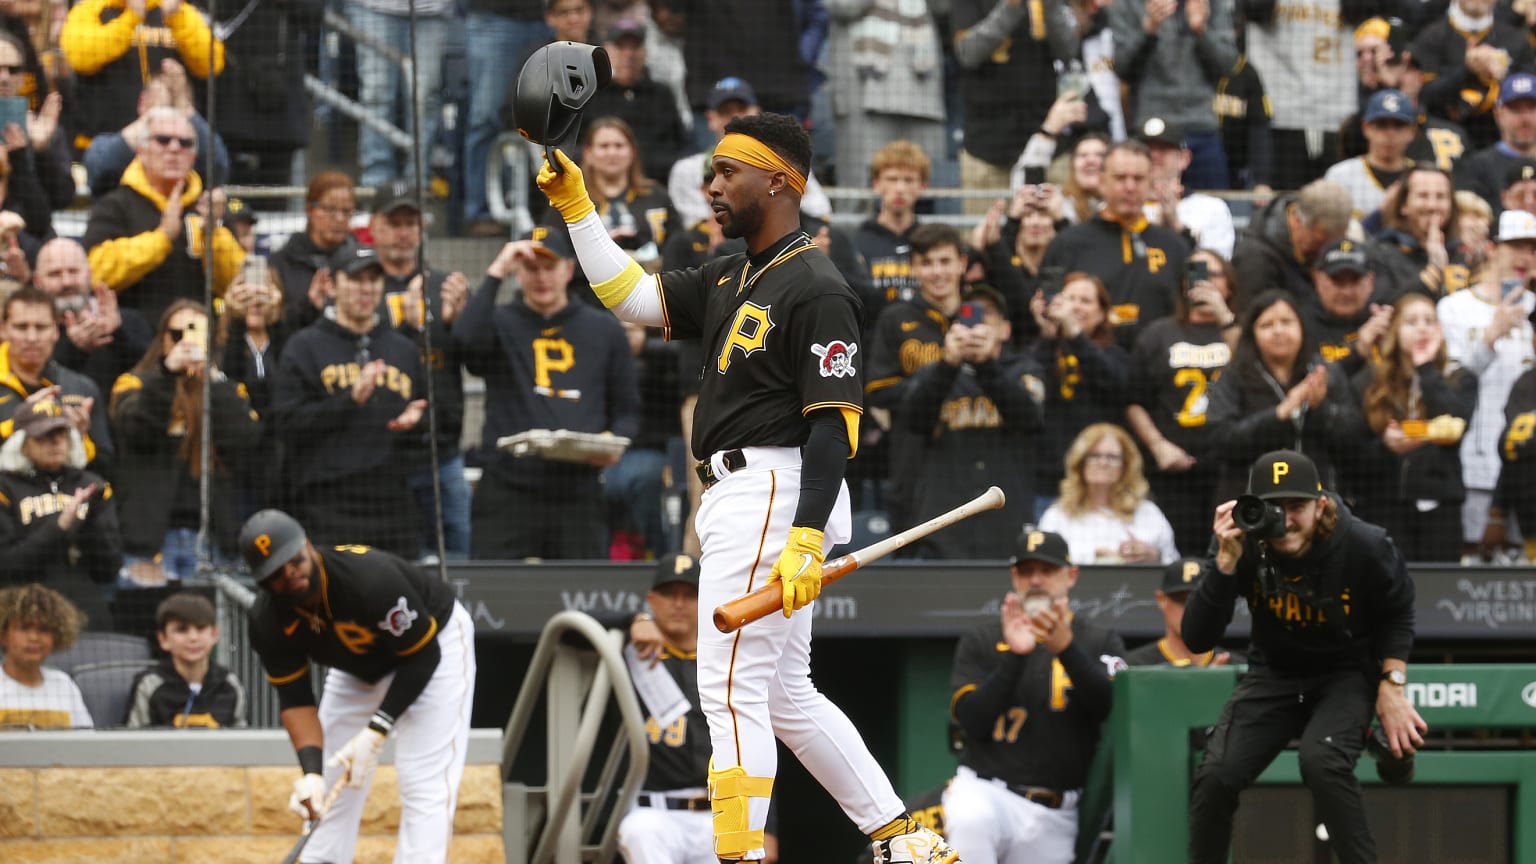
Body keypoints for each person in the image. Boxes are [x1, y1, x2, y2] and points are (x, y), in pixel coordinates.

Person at [536, 111, 957, 862]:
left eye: (729, 170)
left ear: (780, 181)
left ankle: (736, 855)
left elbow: (835, 427)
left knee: (727, 688)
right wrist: (578, 209)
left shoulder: (819, 285)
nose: (712, 184)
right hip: (746, 492)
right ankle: (899, 838)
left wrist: (802, 534)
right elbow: (632, 296)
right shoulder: (732, 272)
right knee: (782, 695)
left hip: (775, 484)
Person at [1183, 449, 1427, 864]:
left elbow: (1399, 613)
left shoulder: (1364, 544)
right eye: (1272, 508)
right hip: (1275, 673)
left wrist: (1392, 685)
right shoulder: (1240, 543)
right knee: (1216, 777)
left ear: (1321, 505)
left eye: (1296, 507)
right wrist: (1223, 563)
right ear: (1252, 509)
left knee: (1322, 761)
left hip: (1347, 673)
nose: (1285, 520)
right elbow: (1197, 638)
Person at [240, 508, 475, 864]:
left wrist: (378, 727)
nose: (291, 574)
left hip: (434, 644)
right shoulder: (267, 620)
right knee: (328, 780)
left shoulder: (367, 579)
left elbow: (424, 656)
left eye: (294, 560)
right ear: (261, 580)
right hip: (358, 667)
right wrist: (312, 773)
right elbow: (295, 699)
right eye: (277, 572)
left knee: (421, 780)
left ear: (308, 546)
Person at [943, 528, 1126, 864]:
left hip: (1056, 810)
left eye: (1047, 570)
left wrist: (1067, 650)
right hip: (987, 792)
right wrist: (1014, 656)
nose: (1036, 580)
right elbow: (971, 721)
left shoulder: (1098, 640)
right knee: (971, 819)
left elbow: (1109, 707)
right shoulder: (983, 638)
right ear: (1015, 577)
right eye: (1027, 571)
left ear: (1071, 576)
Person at [454, 229, 639, 560]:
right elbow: (465, 343)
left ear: (568, 270)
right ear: (517, 273)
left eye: (549, 267)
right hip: (508, 486)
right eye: (530, 268)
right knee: (495, 592)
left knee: (581, 597)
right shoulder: (499, 322)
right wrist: (496, 271)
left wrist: (613, 443)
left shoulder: (604, 329)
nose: (541, 278)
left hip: (578, 488)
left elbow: (628, 409)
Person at [619, 553, 781, 863]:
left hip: (720, 815)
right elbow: (570, 628)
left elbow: (757, 747)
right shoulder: (630, 652)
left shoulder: (726, 662)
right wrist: (633, 621)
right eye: (669, 594)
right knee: (640, 832)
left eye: (690, 595)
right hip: (655, 814)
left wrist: (766, 826)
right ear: (651, 600)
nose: (678, 604)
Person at [272, 245, 427, 559]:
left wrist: (417, 423)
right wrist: (348, 401)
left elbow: (432, 429)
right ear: (331, 284)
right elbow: (285, 423)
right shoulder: (304, 346)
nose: (366, 288)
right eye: (356, 278)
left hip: (391, 506)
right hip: (327, 504)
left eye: (373, 278)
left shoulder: (402, 349)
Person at [109, 299, 260, 583]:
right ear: (162, 338)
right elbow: (134, 431)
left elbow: (245, 442)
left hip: (213, 537)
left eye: (195, 334)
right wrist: (167, 374)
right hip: (149, 539)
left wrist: (213, 380)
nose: (185, 343)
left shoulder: (226, 388)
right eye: (176, 335)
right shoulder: (134, 383)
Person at [896, 285, 1044, 559]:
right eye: (969, 315)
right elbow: (912, 421)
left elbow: (1029, 417)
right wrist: (948, 364)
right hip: (945, 526)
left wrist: (987, 365)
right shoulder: (935, 373)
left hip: (1006, 524)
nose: (978, 323)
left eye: (988, 314)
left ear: (1006, 330)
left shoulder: (1025, 369)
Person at [367, 181, 472, 561]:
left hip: (440, 452)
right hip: (380, 454)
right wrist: (410, 326)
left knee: (458, 561)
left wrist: (462, 323)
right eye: (394, 222)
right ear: (374, 226)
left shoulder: (444, 285)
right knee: (390, 562)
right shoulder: (361, 284)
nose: (403, 232)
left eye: (410, 222)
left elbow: (476, 358)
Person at [81, 106, 244, 326]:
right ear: (141, 150)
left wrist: (213, 235)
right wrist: (162, 238)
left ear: (194, 157)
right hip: (131, 336)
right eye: (163, 140)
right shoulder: (115, 204)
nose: (174, 148)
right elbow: (93, 273)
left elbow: (237, 283)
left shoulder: (209, 207)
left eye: (185, 143)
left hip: (200, 336)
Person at [1125, 248, 1238, 555]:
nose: (1205, 280)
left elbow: (1254, 371)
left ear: (1229, 283)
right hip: (1174, 472)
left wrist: (1225, 317)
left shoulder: (1242, 330)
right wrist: (1158, 445)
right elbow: (1133, 399)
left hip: (1231, 468)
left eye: (1213, 273)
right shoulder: (1158, 333)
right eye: (1195, 272)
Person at [1437, 208, 1536, 560]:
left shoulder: (1535, 310)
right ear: (1492, 248)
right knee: (1472, 565)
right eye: (1516, 246)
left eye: (1533, 249)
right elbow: (1446, 386)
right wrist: (1490, 338)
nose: (1526, 257)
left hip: (1528, 467)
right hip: (1472, 464)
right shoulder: (1454, 308)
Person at [1349, 293, 1477, 562]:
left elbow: (1454, 421)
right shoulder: (1369, 380)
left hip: (1440, 506)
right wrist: (1386, 445)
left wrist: (1426, 368)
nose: (1422, 328)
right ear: (1395, 331)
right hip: (1383, 504)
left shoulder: (1460, 377)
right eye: (1411, 322)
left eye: (1429, 321)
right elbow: (1351, 448)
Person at [1206, 290, 1364, 504]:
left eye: (1287, 322)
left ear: (1302, 328)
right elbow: (1220, 441)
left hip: (1320, 501)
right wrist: (1279, 414)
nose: (1278, 331)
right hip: (1252, 503)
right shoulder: (1235, 375)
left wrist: (1321, 409)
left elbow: (1355, 438)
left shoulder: (1325, 372)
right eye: (1267, 325)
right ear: (1252, 334)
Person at [865, 223, 969, 533]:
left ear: (962, 263)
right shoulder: (896, 318)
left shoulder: (978, 314)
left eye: (945, 261)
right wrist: (932, 383)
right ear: (914, 267)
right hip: (914, 461)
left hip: (969, 454)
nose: (937, 272)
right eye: (927, 263)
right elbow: (877, 391)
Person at [1042, 140, 1189, 350]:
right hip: (1090, 366)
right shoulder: (1069, 243)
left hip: (1158, 366)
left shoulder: (1174, 246)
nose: (1130, 187)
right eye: (1120, 178)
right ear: (1102, 182)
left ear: (1150, 184)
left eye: (1138, 179)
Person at [0, 397, 120, 630]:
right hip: (23, 613)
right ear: (22, 443)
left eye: (61, 433)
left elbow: (109, 568)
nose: (55, 442)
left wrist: (90, 524)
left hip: (84, 613)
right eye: (43, 436)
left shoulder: (93, 486)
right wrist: (59, 527)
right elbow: (5, 564)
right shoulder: (5, 488)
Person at [951, 0, 1080, 216]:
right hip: (987, 147)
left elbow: (1068, 50)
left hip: (1046, 143)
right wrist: (1010, 7)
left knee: (1055, 237)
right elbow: (967, 52)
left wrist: (1049, 6)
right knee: (988, 239)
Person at [1029, 272, 1130, 517]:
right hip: (1048, 479)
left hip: (1102, 481)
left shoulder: (1115, 353)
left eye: (1085, 301)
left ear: (1103, 312)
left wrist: (1075, 334)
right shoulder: (1043, 349)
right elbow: (1029, 393)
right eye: (1069, 298)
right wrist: (1047, 334)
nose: (1075, 306)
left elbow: (1118, 386)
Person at [1110, 0, 1238, 191]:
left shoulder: (1213, 4)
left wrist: (1201, 30)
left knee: (1211, 209)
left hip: (1201, 127)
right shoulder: (1128, 4)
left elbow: (1228, 64)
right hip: (1151, 130)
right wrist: (1148, 29)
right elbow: (1122, 67)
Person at [58, 0, 225, 146]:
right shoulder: (90, 9)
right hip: (106, 142)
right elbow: (80, 58)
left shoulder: (179, 10)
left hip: (168, 145)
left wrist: (177, 16)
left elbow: (211, 64)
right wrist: (132, 17)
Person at [826, 0, 946, 195]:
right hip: (862, 95)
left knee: (929, 191)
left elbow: (944, 8)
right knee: (859, 196)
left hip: (923, 94)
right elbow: (841, 6)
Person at [460, 0, 552, 237]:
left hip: (547, 16)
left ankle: (543, 208)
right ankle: (481, 211)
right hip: (495, 18)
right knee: (486, 116)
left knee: (552, 112)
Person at [0, 286, 113, 472]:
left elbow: (104, 470)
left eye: (41, 327)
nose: (32, 337)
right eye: (21, 327)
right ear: (4, 330)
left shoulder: (80, 387)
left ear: (56, 330)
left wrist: (78, 437)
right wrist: (19, 425)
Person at [80, 59, 230, 197]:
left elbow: (219, 167)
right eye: (163, 140)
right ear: (142, 103)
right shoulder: (105, 145)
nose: (173, 147)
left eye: (176, 110)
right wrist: (153, 117)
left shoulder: (188, 148)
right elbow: (99, 170)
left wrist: (182, 104)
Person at [345, 0, 451, 188]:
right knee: (376, 94)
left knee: (425, 98)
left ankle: (418, 180)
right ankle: (377, 183)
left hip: (431, 10)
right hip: (373, 7)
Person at [1041, 423, 1179, 564]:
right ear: (1080, 463)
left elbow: (1174, 567)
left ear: (1126, 466)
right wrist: (1092, 557)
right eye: (1095, 456)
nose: (1103, 463)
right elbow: (1043, 565)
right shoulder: (1057, 516)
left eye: (1112, 457)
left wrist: (1154, 557)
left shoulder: (1148, 513)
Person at [36, 236, 154, 400]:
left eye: (73, 271)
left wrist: (117, 334)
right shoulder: (30, 329)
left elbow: (151, 374)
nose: (67, 281)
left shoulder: (129, 320)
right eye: (55, 274)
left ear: (89, 273)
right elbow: (33, 381)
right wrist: (74, 349)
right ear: (37, 281)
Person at [1411, 0, 1533, 151]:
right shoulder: (1430, 37)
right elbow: (1422, 95)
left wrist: (1504, 77)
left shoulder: (1516, 40)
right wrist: (1467, 70)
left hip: (1502, 142)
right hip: (1445, 141)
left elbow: (1530, 92)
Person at [580, 19, 689, 186]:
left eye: (634, 47)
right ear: (607, 51)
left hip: (656, 185)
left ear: (645, 52)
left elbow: (682, 146)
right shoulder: (591, 94)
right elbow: (578, 148)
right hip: (600, 186)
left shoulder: (661, 94)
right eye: (621, 47)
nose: (628, 54)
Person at [1230, 179, 1353, 316]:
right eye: (1319, 241)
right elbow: (1254, 322)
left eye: (1335, 242)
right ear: (1296, 220)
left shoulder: (1333, 233)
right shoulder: (1255, 259)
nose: (1327, 250)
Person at [124, 591, 247, 728]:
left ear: (214, 634)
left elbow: (241, 740)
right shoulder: (148, 685)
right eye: (182, 630)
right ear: (163, 639)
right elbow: (134, 741)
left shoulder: (229, 684)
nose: (193, 638)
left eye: (200, 628)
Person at [853, 139, 931, 327]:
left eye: (908, 180)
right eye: (892, 179)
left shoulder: (931, 242)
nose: (900, 189)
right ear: (877, 184)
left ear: (922, 187)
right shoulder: (857, 242)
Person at [1368, 166, 1472, 302]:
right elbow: (1386, 306)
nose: (1432, 205)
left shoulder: (1465, 253)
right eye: (1423, 196)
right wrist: (1434, 269)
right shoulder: (1380, 253)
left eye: (1440, 197)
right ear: (1403, 205)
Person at [272, 171, 359, 331]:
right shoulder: (282, 263)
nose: (339, 218)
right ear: (310, 210)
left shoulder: (362, 261)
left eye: (346, 211)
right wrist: (309, 305)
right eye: (330, 209)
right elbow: (274, 324)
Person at [1139, 117, 1235, 258]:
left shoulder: (1212, 209)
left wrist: (1177, 226)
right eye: (1147, 149)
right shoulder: (1120, 206)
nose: (1154, 155)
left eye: (1163, 148)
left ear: (1184, 159)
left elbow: (1215, 271)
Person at [0, 582, 92, 729]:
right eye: (24, 628)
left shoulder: (63, 684)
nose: (34, 637)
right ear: (3, 635)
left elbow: (85, 742)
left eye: (43, 629)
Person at [1123, 557, 1237, 667]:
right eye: (1181, 600)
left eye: (1199, 602)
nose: (1189, 610)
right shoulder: (1134, 666)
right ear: (1161, 599)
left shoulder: (1236, 666)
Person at [1325, 89, 1418, 220]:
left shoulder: (1423, 178)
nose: (1390, 134)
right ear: (1366, 128)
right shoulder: (1340, 175)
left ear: (1412, 132)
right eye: (1381, 125)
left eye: (1398, 126)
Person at [1304, 238, 1393, 370]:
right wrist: (1358, 351)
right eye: (1338, 281)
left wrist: (1394, 341)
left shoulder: (1384, 322)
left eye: (1355, 281)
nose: (1347, 292)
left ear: (1371, 281)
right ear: (1318, 280)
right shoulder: (1301, 326)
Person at [1455, 73, 1536, 212]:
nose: (1525, 118)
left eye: (1532, 108)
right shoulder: (1477, 167)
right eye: (1515, 109)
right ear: (1498, 114)